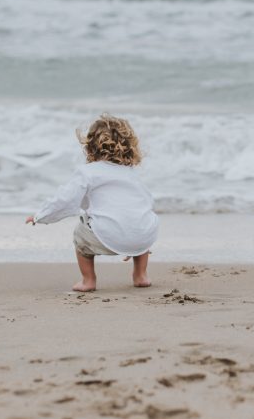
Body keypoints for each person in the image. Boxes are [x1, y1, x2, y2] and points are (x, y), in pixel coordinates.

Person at [26, 115, 159, 291]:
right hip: (142, 236)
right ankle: (140, 275)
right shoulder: (131, 173)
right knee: (141, 221)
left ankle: (88, 280)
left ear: (90, 146)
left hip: (106, 236)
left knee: (79, 237)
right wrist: (134, 239)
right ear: (129, 146)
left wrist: (41, 215)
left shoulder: (87, 172)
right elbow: (146, 201)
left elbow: (65, 199)